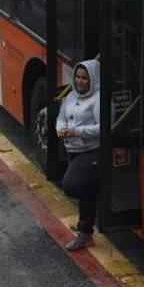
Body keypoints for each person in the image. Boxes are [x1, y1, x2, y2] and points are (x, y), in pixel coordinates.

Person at [57, 59, 101, 251]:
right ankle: (86, 230)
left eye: (85, 78)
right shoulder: (70, 96)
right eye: (77, 77)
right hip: (72, 150)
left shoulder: (99, 99)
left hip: (91, 151)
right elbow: (60, 118)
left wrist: (76, 131)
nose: (80, 81)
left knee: (71, 185)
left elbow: (103, 128)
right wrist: (61, 129)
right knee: (86, 190)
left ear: (93, 79)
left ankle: (86, 225)